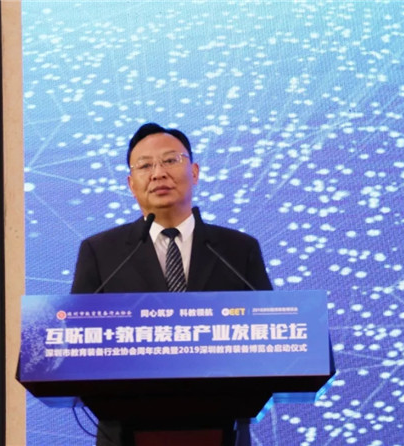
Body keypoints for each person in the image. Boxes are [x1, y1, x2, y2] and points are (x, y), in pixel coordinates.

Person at [71, 122, 272, 445]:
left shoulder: (238, 249)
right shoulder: (100, 252)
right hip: (124, 433)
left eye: (170, 160)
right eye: (145, 166)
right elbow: (76, 339)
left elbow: (269, 335)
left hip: (222, 428)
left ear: (194, 172)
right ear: (131, 184)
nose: (158, 173)